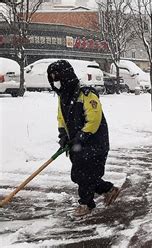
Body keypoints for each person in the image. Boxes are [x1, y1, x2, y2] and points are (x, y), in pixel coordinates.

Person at [47, 60, 120, 217]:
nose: (56, 83)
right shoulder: (63, 98)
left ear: (66, 77)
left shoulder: (86, 94)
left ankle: (86, 204)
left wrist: (81, 137)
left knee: (84, 175)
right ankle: (108, 190)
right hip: (77, 144)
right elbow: (61, 118)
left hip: (95, 143)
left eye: (58, 79)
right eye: (53, 80)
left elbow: (94, 119)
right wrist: (64, 136)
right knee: (82, 175)